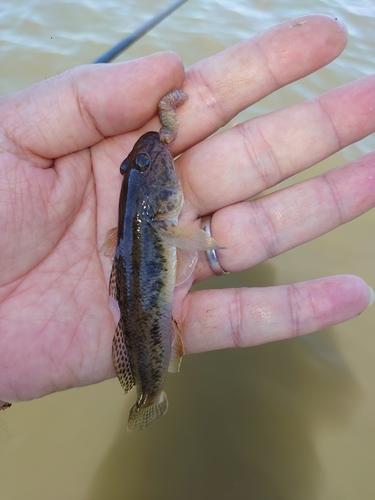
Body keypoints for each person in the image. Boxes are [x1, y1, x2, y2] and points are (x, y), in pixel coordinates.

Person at [0, 14, 373, 406]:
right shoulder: (158, 221)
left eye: (137, 167)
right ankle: (149, 394)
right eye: (137, 168)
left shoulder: (151, 219)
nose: (141, 163)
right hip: (143, 297)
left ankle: (148, 391)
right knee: (154, 334)